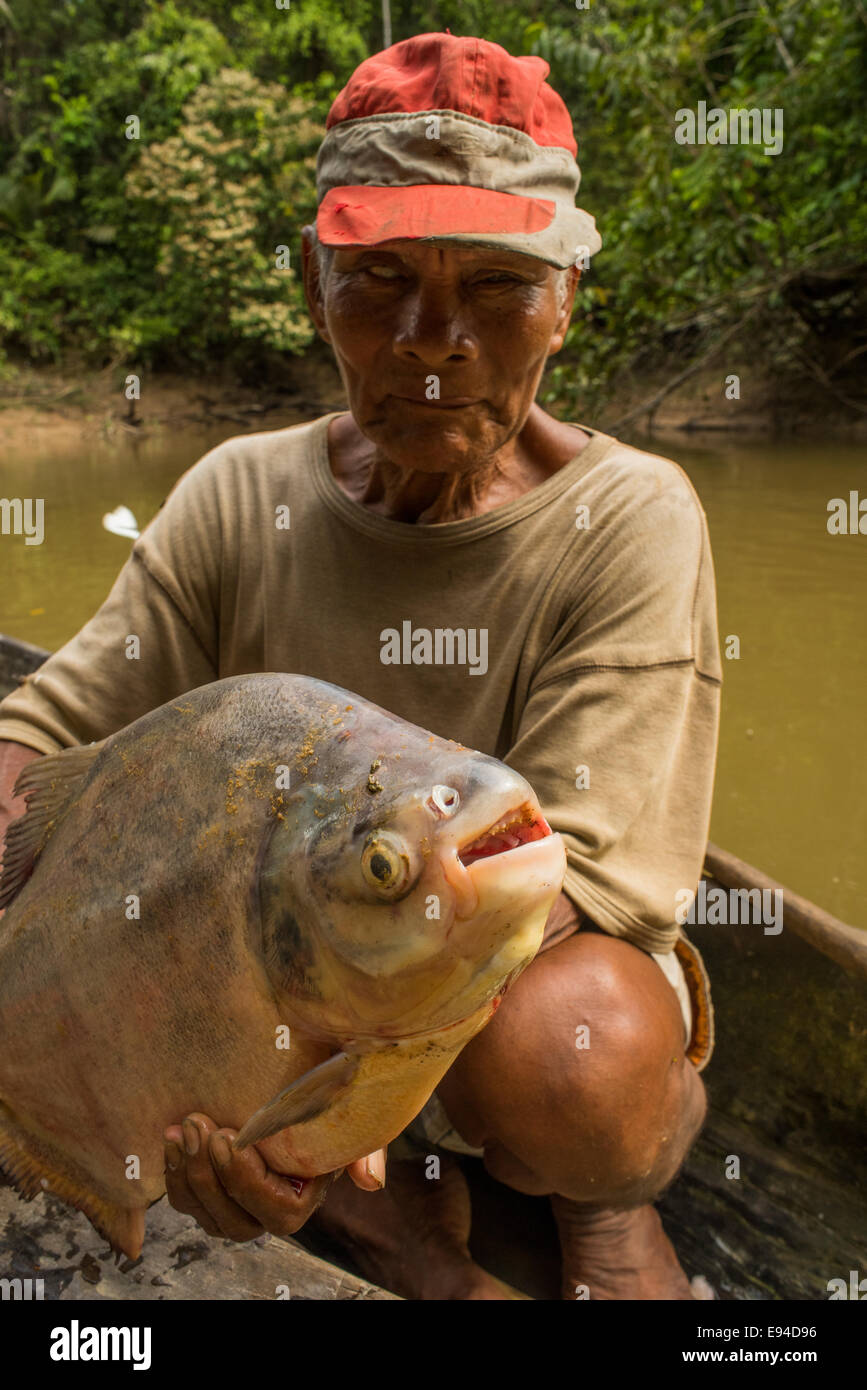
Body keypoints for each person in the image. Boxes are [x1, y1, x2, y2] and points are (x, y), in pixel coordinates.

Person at [0, 33, 721, 1299]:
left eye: (495, 286)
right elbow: (42, 740)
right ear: (310, 281)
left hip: (493, 966)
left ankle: (596, 1209)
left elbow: (573, 883)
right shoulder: (241, 493)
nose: (431, 340)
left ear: (567, 298)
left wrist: (329, 1109)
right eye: (379, 278)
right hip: (270, 976)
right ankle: (376, 1222)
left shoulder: (635, 518)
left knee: (582, 1056)